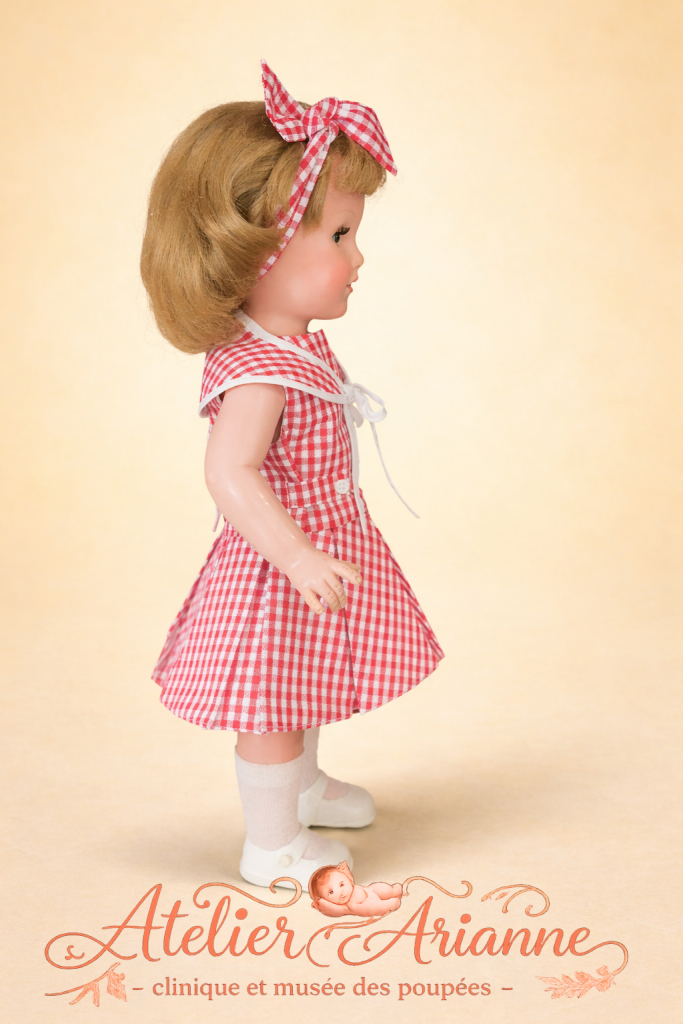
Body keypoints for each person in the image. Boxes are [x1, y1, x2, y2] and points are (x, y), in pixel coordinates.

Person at [140, 61, 444, 889]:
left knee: (305, 678)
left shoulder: (290, 345)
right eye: (339, 236)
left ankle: (303, 789)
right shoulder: (258, 374)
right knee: (274, 698)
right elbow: (229, 472)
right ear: (259, 248)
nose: (357, 256)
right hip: (278, 566)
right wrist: (297, 556)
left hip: (318, 543)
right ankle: (272, 842)